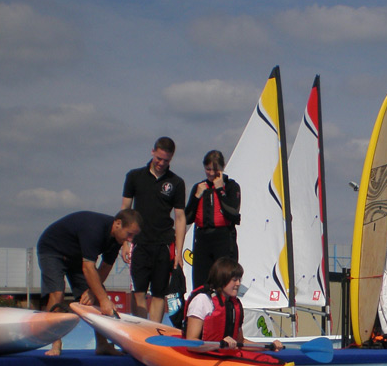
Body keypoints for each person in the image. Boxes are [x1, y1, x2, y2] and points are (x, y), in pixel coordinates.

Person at [37, 209, 142, 355]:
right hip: (52, 250)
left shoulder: (117, 240)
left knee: (98, 295)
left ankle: (102, 345)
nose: (130, 240)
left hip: (75, 256)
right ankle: (55, 343)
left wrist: (94, 292)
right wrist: (104, 299)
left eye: (134, 236)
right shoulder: (94, 229)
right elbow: (88, 267)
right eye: (129, 234)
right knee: (57, 293)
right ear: (118, 224)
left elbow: (105, 267)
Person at [120, 137, 186, 321]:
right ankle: (140, 330)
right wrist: (124, 243)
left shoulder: (176, 182)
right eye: (159, 158)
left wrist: (179, 252)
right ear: (152, 152)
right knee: (138, 291)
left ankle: (154, 332)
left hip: (164, 244)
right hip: (139, 243)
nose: (161, 163)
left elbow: (180, 218)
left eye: (166, 160)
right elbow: (125, 210)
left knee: (159, 293)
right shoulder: (134, 176)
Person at [184, 257, 282, 350]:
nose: (238, 283)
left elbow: (241, 342)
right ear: (222, 279)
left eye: (239, 280)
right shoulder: (202, 300)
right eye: (234, 280)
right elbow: (191, 343)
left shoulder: (234, 305)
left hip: (224, 355)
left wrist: (269, 347)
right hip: (203, 355)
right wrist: (220, 345)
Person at [184, 149, 241, 290]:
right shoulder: (199, 187)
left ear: (222, 167)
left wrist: (220, 190)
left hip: (223, 238)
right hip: (202, 240)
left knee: (224, 281)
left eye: (215, 170)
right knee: (200, 285)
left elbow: (233, 213)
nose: (211, 173)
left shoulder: (231, 186)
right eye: (208, 169)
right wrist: (196, 196)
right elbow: (187, 218)